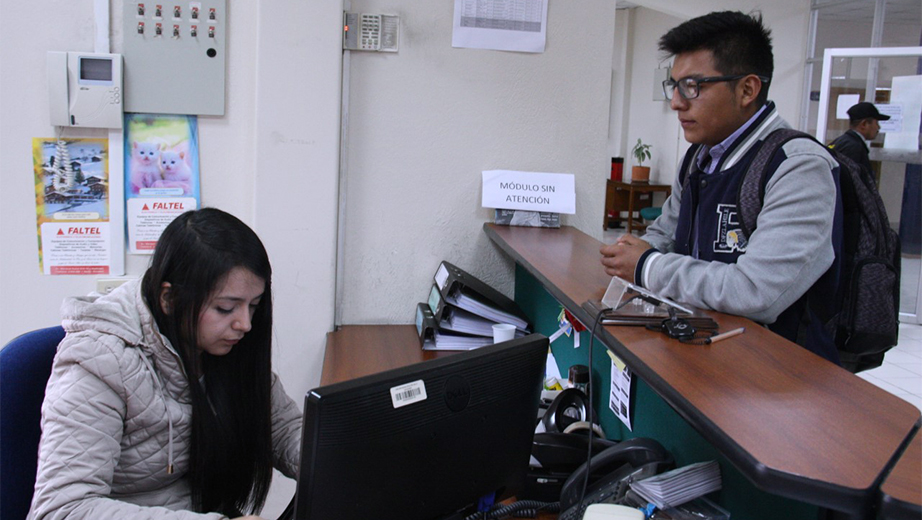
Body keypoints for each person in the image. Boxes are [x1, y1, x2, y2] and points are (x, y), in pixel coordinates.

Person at [28, 208, 302, 520]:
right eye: (226, 308)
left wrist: (343, 459)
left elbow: (284, 428)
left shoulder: (224, 345)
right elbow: (62, 510)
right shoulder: (99, 360)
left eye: (253, 306)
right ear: (169, 300)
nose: (245, 323)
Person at [600, 11, 842, 364]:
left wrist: (647, 266)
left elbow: (755, 291)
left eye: (693, 86)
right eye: (675, 85)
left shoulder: (798, 166)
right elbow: (666, 233)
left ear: (747, 89)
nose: (676, 102)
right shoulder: (700, 157)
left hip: (778, 376)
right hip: (707, 350)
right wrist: (632, 250)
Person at [829, 101, 890, 178]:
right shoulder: (853, 147)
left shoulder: (843, 141)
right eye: (876, 123)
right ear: (864, 124)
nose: (878, 127)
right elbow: (851, 181)